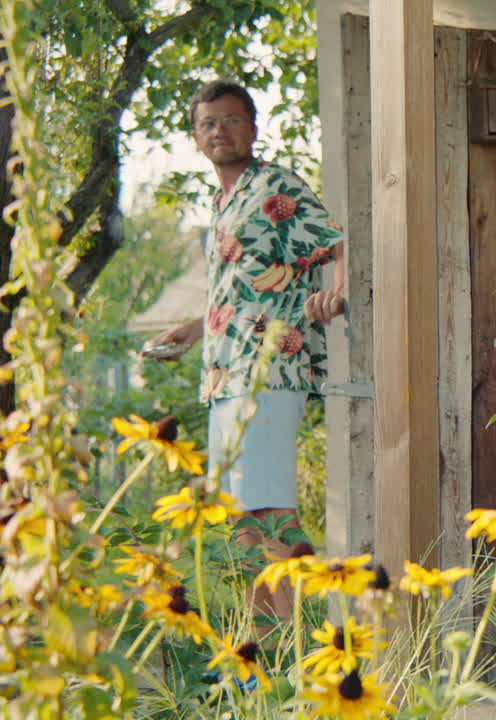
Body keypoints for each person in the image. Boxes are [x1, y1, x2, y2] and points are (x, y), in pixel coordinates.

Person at [147, 79, 345, 619]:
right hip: (224, 371)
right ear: (196, 136)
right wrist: (193, 330)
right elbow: (243, 285)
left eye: (232, 120)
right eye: (209, 123)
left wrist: (338, 293)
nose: (221, 131)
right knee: (239, 514)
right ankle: (268, 646)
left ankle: (303, 636)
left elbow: (335, 240)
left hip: (271, 367)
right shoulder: (222, 200)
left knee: (268, 507)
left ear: (253, 129)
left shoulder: (275, 186)